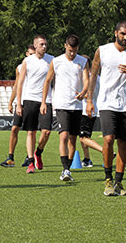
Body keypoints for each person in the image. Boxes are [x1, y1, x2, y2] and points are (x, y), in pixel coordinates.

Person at [87, 21, 126, 196]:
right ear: (115, 33)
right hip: (106, 102)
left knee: (123, 144)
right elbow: (93, 75)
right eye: (122, 34)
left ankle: (119, 183)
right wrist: (90, 100)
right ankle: (108, 180)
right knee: (108, 139)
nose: (125, 37)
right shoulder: (103, 50)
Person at [40, 35, 89, 181]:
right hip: (61, 104)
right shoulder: (56, 61)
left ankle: (67, 169)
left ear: (77, 49)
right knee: (63, 135)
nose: (72, 54)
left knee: (73, 139)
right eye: (69, 50)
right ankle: (65, 169)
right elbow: (47, 81)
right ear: (65, 46)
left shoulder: (83, 61)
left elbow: (86, 80)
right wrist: (43, 102)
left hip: (77, 105)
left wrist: (84, 92)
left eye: (74, 51)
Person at [16, 34, 53, 174]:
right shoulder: (27, 61)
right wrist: (19, 104)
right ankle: (31, 162)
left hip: (46, 100)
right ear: (35, 45)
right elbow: (20, 83)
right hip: (30, 98)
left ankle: (38, 152)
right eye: (41, 44)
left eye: (45, 44)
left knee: (47, 131)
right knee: (31, 132)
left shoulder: (52, 60)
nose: (44, 47)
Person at [0, 44, 35, 167]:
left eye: (33, 54)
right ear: (26, 54)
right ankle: (11, 158)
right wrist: (11, 102)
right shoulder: (20, 67)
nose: (32, 56)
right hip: (20, 102)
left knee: (31, 132)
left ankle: (29, 157)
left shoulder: (39, 66)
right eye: (30, 54)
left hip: (32, 101)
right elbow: (16, 85)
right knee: (15, 128)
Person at [79, 55, 103, 167]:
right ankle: (87, 159)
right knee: (83, 137)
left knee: (84, 138)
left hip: (86, 110)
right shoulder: (98, 77)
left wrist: (79, 95)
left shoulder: (88, 78)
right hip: (93, 110)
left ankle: (105, 151)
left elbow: (89, 94)